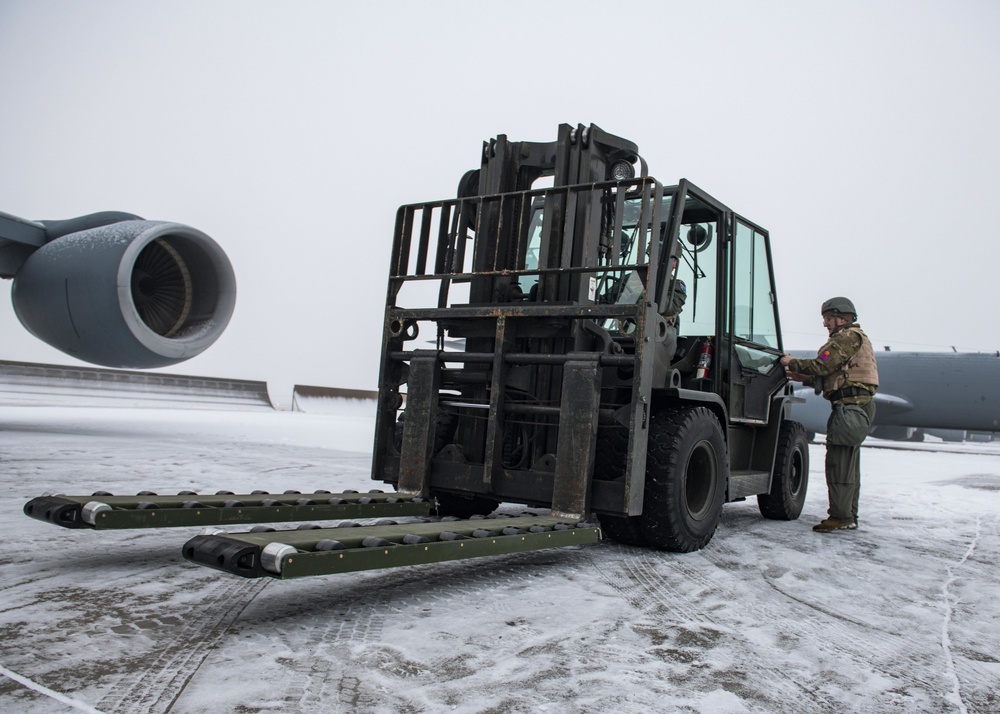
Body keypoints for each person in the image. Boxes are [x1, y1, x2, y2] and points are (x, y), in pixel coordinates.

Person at [779, 297, 879, 532]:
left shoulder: (846, 338)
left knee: (839, 463)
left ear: (840, 317)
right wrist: (807, 378)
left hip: (849, 408)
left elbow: (821, 364)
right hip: (855, 406)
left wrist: (792, 363)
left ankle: (841, 517)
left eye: (827, 319)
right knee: (848, 464)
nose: (825, 324)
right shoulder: (856, 338)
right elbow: (835, 375)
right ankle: (848, 515)